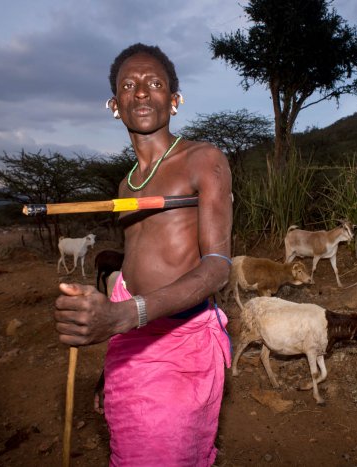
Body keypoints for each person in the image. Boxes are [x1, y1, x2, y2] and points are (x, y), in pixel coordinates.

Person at [53, 43, 233, 466]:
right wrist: (112, 360)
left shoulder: (203, 160)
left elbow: (217, 267)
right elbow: (134, 273)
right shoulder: (126, 186)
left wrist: (123, 316)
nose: (140, 92)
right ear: (115, 105)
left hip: (181, 344)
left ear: (174, 100)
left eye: (154, 83)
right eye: (128, 85)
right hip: (130, 345)